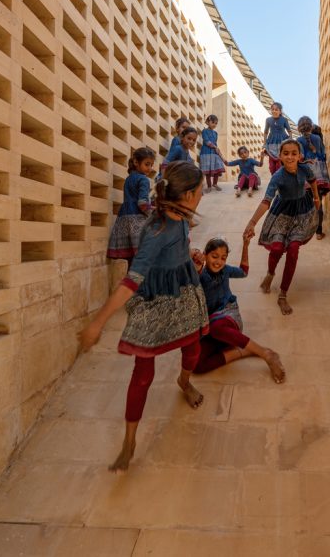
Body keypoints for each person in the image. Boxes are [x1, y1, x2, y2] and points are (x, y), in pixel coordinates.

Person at [81, 161, 209, 471]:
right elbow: (131, 281)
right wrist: (98, 323)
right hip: (153, 299)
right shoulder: (156, 231)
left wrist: (188, 256)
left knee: (193, 350)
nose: (202, 195)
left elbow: (179, 246)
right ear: (188, 195)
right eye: (201, 191)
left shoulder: (182, 217)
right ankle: (129, 441)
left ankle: (184, 381)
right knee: (143, 373)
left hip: (184, 290)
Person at [244, 139, 320, 315]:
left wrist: (316, 197)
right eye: (286, 153)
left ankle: (283, 294)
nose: (290, 157)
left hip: (302, 212)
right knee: (277, 248)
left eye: (294, 153)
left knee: (293, 250)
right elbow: (266, 201)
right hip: (282, 212)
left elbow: (313, 180)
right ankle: (270, 273)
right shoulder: (278, 176)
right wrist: (252, 222)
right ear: (280, 156)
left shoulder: (305, 169)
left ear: (300, 156)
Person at [194, 236, 285, 382]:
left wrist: (245, 245)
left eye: (223, 258)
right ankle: (244, 351)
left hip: (228, 318)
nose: (218, 262)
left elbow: (243, 271)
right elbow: (191, 280)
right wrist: (197, 266)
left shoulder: (226, 270)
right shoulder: (200, 275)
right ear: (205, 255)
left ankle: (265, 354)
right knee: (196, 364)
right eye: (214, 256)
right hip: (212, 328)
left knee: (216, 327)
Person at [106, 147, 155, 263]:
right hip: (137, 221)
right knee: (141, 259)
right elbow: (142, 203)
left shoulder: (129, 179)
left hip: (124, 219)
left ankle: (130, 276)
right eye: (147, 164)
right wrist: (154, 213)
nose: (150, 168)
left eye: (151, 165)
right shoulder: (144, 180)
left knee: (131, 260)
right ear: (136, 162)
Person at [296, 116, 330, 240]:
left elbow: (300, 158)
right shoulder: (317, 138)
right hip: (319, 173)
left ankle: (305, 229)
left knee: (307, 203)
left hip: (306, 173)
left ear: (299, 128)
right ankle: (319, 232)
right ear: (311, 127)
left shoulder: (298, 140)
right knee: (318, 202)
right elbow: (322, 155)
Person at [262, 102, 292, 174]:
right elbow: (266, 132)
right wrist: (264, 143)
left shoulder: (284, 120)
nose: (274, 111)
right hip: (271, 143)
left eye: (276, 109)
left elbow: (289, 131)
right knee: (272, 166)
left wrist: (290, 141)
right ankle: (274, 177)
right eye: (272, 109)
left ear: (280, 111)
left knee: (280, 164)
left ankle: (280, 177)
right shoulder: (268, 120)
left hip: (282, 143)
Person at [199, 114, 226, 192]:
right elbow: (206, 141)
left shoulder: (215, 133)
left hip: (214, 153)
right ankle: (209, 186)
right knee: (207, 170)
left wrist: (218, 151)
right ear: (207, 122)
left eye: (216, 123)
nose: (214, 124)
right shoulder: (204, 131)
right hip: (206, 153)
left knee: (217, 168)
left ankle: (215, 183)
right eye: (213, 122)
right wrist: (214, 147)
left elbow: (215, 142)